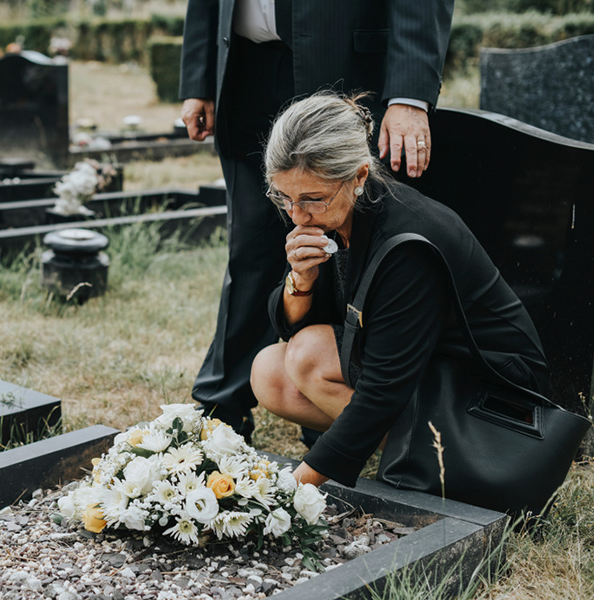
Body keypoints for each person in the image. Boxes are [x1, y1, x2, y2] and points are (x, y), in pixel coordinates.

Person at [178, 0, 456, 441]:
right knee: (248, 245)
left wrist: (409, 92)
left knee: (346, 236)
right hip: (243, 64)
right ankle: (221, 405)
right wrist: (199, 76)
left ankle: (331, 400)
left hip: (344, 60)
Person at [249, 92, 550, 488]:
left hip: (491, 397)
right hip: (419, 369)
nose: (297, 215)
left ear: (358, 176)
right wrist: (300, 282)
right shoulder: (331, 215)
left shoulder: (409, 243)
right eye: (284, 197)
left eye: (312, 200)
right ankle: (409, 448)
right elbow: (291, 327)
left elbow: (383, 387)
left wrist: (292, 489)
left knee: (308, 355)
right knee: (271, 371)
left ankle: (440, 457)